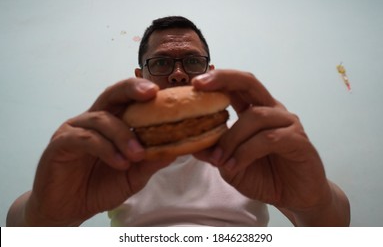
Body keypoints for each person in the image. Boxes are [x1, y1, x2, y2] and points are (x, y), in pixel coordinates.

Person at [6, 16, 350, 227]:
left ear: (211, 73)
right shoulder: (111, 155)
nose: (179, 74)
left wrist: (316, 201)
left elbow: (332, 228)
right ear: (140, 76)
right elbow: (21, 228)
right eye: (161, 63)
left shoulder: (253, 147)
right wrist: (45, 217)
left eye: (192, 61)